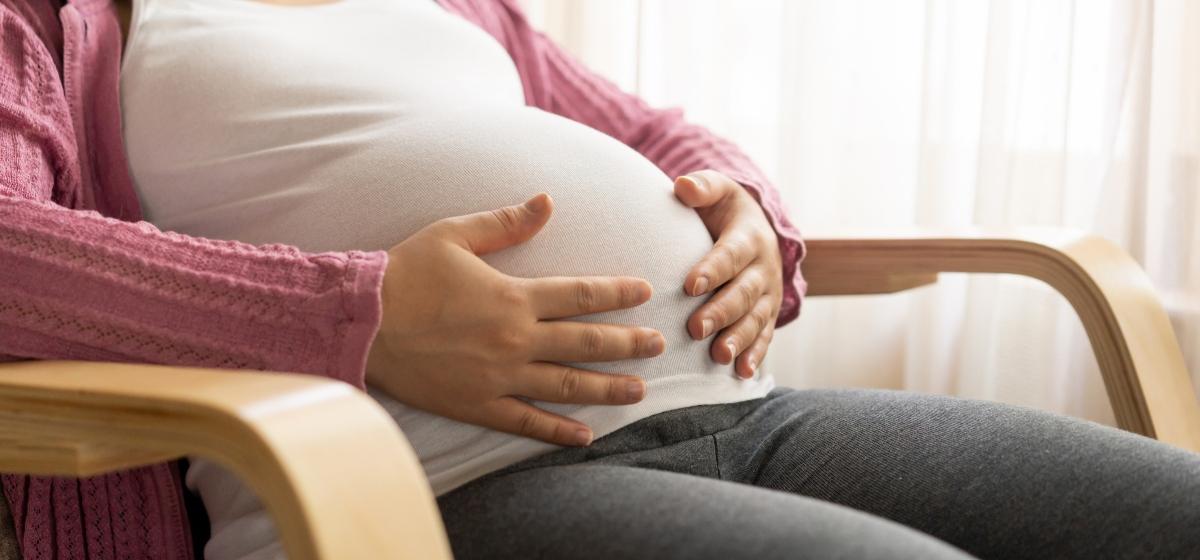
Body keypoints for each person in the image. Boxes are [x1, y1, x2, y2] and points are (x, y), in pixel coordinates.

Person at [1, 1, 1197, 559]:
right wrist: (358, 319)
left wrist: (742, 210)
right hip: (438, 486)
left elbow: (662, 133)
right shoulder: (54, 21)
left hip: (743, 410)